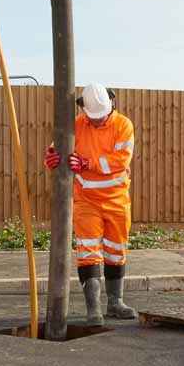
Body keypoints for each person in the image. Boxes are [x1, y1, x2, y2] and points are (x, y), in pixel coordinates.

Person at [44, 82, 136, 325]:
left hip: (117, 200)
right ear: (83, 109)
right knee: (88, 253)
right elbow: (56, 150)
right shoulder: (75, 126)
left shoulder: (123, 125)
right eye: (93, 116)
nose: (97, 120)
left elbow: (120, 160)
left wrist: (88, 164)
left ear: (111, 104)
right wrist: (52, 158)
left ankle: (115, 303)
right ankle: (93, 309)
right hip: (86, 201)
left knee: (116, 252)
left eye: (102, 116)